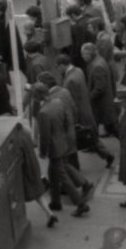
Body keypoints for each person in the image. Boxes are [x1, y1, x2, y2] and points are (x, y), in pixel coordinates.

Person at [32, 83, 92, 217]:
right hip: (63, 143)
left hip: (54, 148)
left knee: (63, 177)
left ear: (38, 96)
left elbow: (45, 136)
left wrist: (43, 152)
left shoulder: (43, 112)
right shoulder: (58, 102)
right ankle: (55, 201)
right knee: (53, 173)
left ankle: (81, 204)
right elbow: (67, 121)